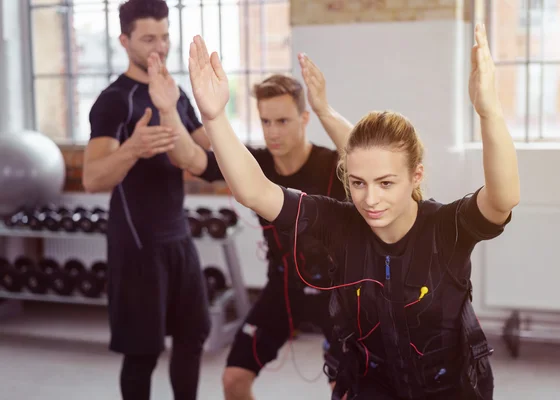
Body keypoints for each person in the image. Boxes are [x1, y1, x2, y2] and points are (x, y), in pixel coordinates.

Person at [185, 22, 519, 400]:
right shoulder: (340, 224)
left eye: (386, 183)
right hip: (371, 387)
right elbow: (255, 191)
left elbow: (502, 198)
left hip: (450, 389)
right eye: (358, 183)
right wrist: (214, 118)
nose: (370, 199)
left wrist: (489, 113)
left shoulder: (445, 227)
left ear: (416, 176)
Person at [146, 47, 353, 399]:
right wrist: (168, 109)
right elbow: (191, 158)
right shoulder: (254, 164)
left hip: (338, 292)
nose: (273, 131)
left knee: (346, 390)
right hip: (282, 287)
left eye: (283, 121)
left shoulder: (332, 163)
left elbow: (364, 157)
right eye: (266, 121)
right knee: (234, 380)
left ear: (304, 120)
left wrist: (324, 109)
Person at [82, 1, 212, 399]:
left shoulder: (175, 95)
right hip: (136, 243)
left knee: (193, 337)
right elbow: (92, 179)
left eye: (165, 36)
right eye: (148, 38)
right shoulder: (114, 100)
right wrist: (133, 148)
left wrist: (213, 111)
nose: (160, 47)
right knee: (143, 353)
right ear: (124, 41)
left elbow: (209, 160)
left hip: (177, 236)